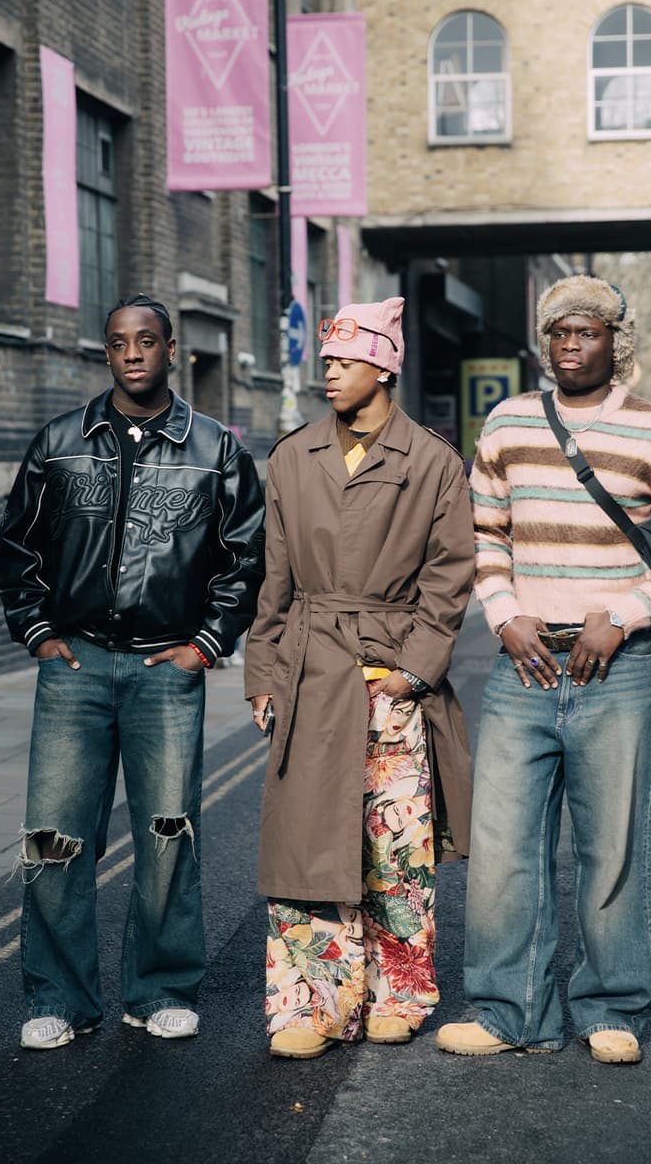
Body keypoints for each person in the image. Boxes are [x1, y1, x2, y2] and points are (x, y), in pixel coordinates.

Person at [436, 275, 651, 1066]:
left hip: (616, 672)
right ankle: (507, 1012)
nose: (569, 345)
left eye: (586, 331)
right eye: (558, 331)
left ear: (613, 341)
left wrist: (624, 613)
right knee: (501, 848)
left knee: (614, 845)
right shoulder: (509, 423)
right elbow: (483, 534)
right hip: (521, 665)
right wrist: (503, 612)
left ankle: (609, 1007)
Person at [0, 294, 265, 1049]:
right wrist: (40, 633)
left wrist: (207, 644)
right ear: (106, 354)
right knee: (53, 837)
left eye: (147, 341)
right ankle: (58, 997)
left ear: (172, 350)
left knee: (169, 833)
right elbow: (17, 546)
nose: (133, 353)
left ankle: (162, 989)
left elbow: (246, 559)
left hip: (164, 668)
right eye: (119, 343)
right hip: (75, 665)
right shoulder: (59, 441)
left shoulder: (214, 449)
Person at [244, 297, 475, 1059]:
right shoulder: (292, 456)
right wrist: (264, 674)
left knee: (395, 851)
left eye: (344, 360)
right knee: (307, 846)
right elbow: (272, 578)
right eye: (327, 361)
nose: (330, 373)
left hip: (391, 682)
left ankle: (399, 993)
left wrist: (411, 672)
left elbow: (448, 579)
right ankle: (309, 1006)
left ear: (385, 364)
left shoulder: (433, 462)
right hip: (311, 676)